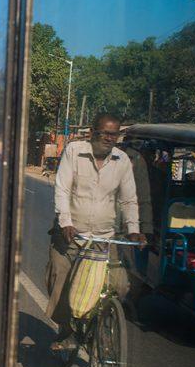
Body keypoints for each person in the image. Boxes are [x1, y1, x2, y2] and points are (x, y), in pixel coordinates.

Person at [46, 113, 144, 351]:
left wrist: (134, 230)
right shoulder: (74, 151)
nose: (110, 139)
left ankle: (96, 323)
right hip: (72, 234)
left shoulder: (122, 160)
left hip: (103, 237)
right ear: (92, 132)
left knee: (118, 285)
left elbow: (129, 199)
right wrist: (66, 222)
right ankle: (67, 330)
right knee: (61, 280)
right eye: (105, 134)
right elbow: (62, 188)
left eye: (115, 134)